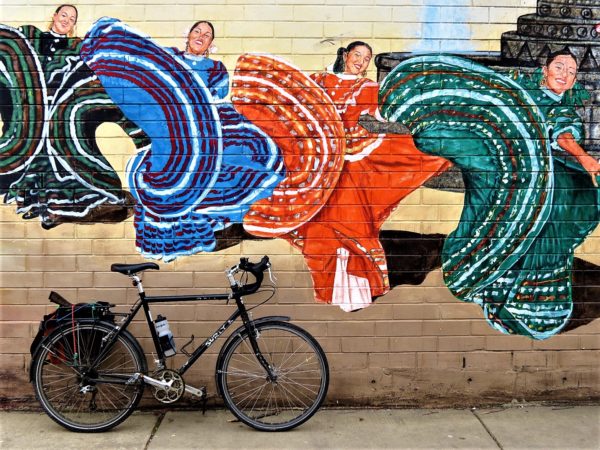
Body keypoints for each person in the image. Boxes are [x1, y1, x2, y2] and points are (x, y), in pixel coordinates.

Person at [379, 49, 600, 339]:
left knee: (567, 204)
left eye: (571, 72)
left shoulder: (563, 111)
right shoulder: (521, 93)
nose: (564, 74)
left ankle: (525, 292)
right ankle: (495, 279)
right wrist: (585, 158)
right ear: (545, 69)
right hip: (515, 167)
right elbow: (561, 138)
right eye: (559, 66)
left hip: (544, 172)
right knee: (529, 202)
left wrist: (578, 159)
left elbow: (562, 135)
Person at [233, 42, 451, 311]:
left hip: (351, 156)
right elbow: (299, 105)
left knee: (349, 219)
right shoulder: (319, 80)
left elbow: (386, 112)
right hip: (315, 157)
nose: (361, 61)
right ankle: (341, 286)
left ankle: (353, 288)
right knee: (320, 226)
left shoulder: (367, 88)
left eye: (366, 58)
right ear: (346, 56)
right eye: (357, 55)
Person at [80, 18, 284, 261]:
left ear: (211, 43)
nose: (201, 36)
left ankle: (218, 211)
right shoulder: (170, 58)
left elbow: (215, 101)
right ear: (188, 35)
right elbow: (151, 84)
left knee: (242, 150)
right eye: (197, 31)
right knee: (170, 169)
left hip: (204, 123)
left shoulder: (215, 68)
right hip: (172, 126)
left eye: (207, 35)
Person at [0, 6, 141, 229]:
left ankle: (62, 207)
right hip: (30, 118)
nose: (67, 20)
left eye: (72, 18)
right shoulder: (30, 39)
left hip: (64, 117)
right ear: (54, 17)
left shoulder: (77, 48)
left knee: (74, 153)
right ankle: (53, 205)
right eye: (63, 15)